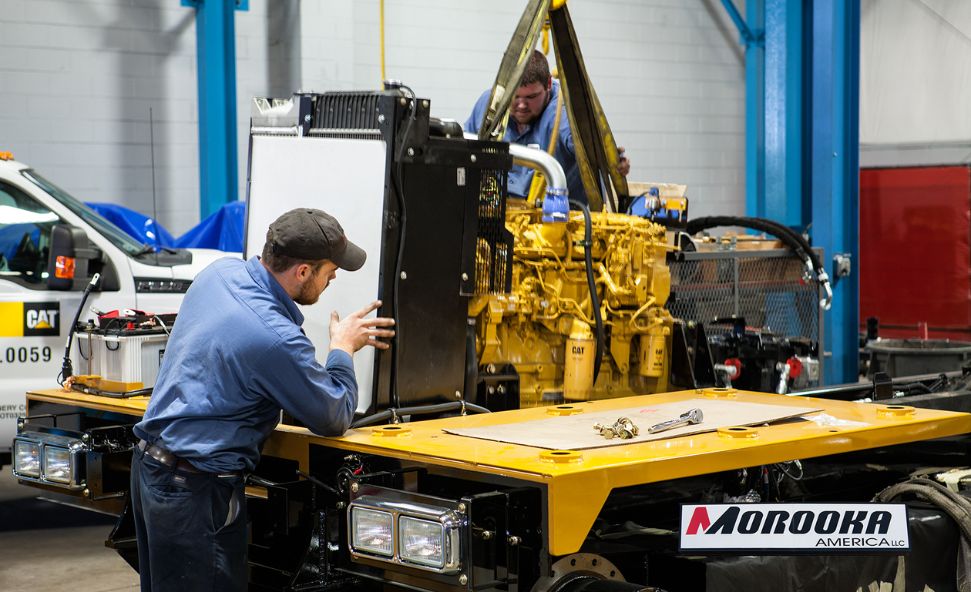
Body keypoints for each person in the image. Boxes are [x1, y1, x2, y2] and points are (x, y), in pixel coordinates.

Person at [129, 207, 395, 591]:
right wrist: (342, 348)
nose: (335, 275)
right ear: (302, 272)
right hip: (195, 495)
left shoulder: (219, 275)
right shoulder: (274, 337)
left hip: (152, 471)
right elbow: (334, 414)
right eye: (329, 270)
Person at [465, 49, 630, 205]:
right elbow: (463, 144)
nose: (522, 105)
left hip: (558, 223)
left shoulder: (565, 114)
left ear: (549, 84)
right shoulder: (489, 106)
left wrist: (610, 161)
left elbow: (593, 148)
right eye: (514, 96)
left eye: (531, 96)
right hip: (500, 215)